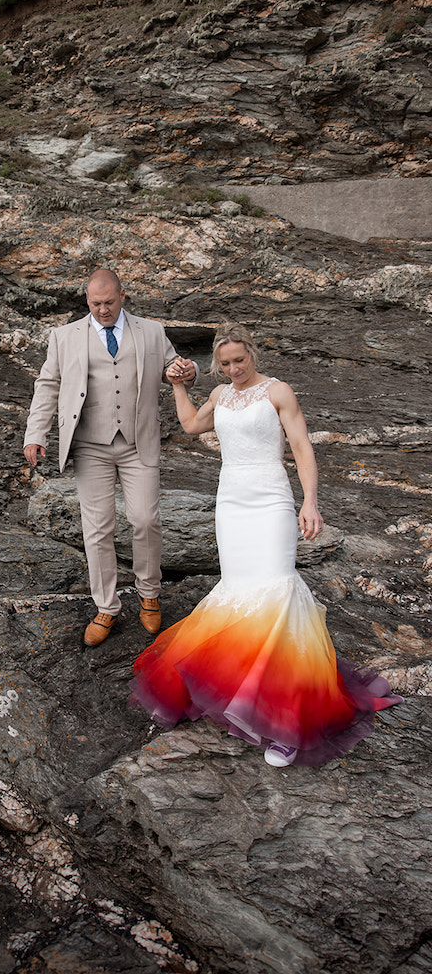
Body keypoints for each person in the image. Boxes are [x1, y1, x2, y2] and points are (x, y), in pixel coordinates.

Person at [130, 322, 403, 767]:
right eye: (225, 363)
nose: (234, 369)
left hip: (271, 499)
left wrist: (310, 502)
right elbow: (191, 424)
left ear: (253, 354)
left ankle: (286, 722)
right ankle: (240, 694)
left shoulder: (278, 392)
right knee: (238, 593)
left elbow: (302, 447)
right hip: (231, 503)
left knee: (278, 588)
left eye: (240, 360)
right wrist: (178, 387)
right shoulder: (220, 395)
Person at [23, 269, 198, 646]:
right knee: (98, 528)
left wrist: (187, 370)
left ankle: (149, 594)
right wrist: (35, 434)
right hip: (90, 444)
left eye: (108, 302)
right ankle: (106, 607)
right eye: (95, 304)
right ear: (87, 301)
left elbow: (177, 367)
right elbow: (48, 385)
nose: (102, 310)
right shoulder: (64, 336)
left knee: (146, 519)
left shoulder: (152, 331)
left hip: (138, 441)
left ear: (123, 296)